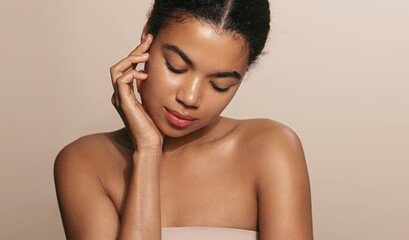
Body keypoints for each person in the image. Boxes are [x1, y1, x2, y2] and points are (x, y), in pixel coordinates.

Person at [53, 0, 313, 239]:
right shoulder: (84, 163)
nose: (190, 98)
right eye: (176, 67)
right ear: (147, 39)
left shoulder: (270, 149)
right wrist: (147, 152)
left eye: (220, 85)